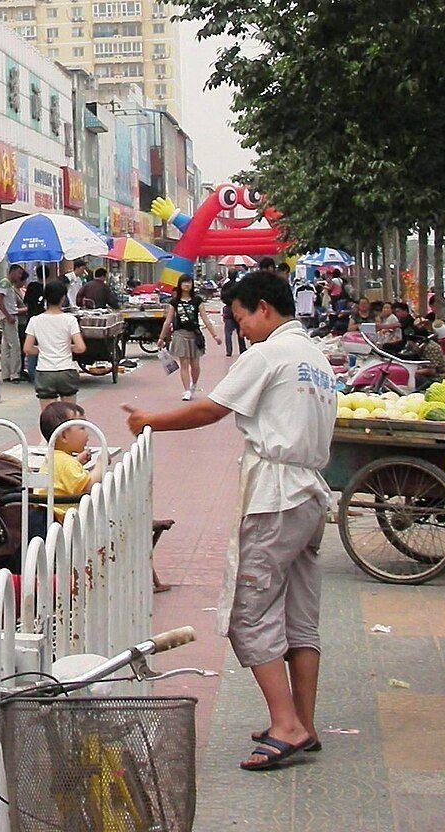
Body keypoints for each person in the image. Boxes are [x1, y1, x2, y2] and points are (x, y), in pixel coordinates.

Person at [123, 269, 338, 773]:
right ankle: (303, 722)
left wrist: (148, 421)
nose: (240, 329)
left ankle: (286, 725)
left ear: (262, 307)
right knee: (299, 615)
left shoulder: (267, 354)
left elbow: (211, 410)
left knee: (251, 609)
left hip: (277, 497)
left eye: (240, 318)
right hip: (308, 496)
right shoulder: (314, 357)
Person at [39, 398, 103, 519]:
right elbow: (87, 486)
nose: (87, 433)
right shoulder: (65, 462)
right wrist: (101, 464)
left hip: (47, 514)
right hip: (61, 519)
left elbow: (62, 477)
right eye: (82, 428)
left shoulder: (56, 457)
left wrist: (77, 461)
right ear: (63, 435)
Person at [24, 278, 85, 401]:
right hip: (66, 370)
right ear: (63, 298)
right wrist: (68, 347)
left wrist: (42, 349)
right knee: (69, 415)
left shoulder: (35, 320)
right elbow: (80, 348)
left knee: (48, 416)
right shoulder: (70, 320)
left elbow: (27, 349)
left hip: (44, 371)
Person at [160, 273, 207, 401]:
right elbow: (168, 321)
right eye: (184, 282)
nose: (187, 285)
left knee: (195, 364)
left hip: (194, 335)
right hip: (180, 334)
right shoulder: (174, 302)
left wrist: (215, 335)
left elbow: (205, 318)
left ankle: (194, 384)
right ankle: (186, 390)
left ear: (192, 284)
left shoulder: (197, 300)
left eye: (189, 282)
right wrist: (161, 338)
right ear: (180, 285)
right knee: (184, 363)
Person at [0, 266, 29, 382]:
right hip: (9, 318)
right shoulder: (5, 283)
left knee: (6, 347)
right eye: (19, 273)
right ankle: (14, 373)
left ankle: (6, 373)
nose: (20, 276)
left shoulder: (8, 284)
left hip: (8, 317)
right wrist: (8, 315)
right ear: (12, 272)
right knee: (15, 346)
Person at [20, 265, 48, 381]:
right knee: (41, 345)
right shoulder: (48, 288)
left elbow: (26, 302)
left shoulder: (31, 286)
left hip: (31, 319)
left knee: (31, 345)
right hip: (44, 321)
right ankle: (40, 372)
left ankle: (32, 373)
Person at [219, 270, 244, 357]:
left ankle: (229, 350)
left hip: (228, 309)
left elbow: (222, 297)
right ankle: (242, 348)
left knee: (228, 332)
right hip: (238, 309)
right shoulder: (239, 286)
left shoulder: (225, 286)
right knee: (240, 330)